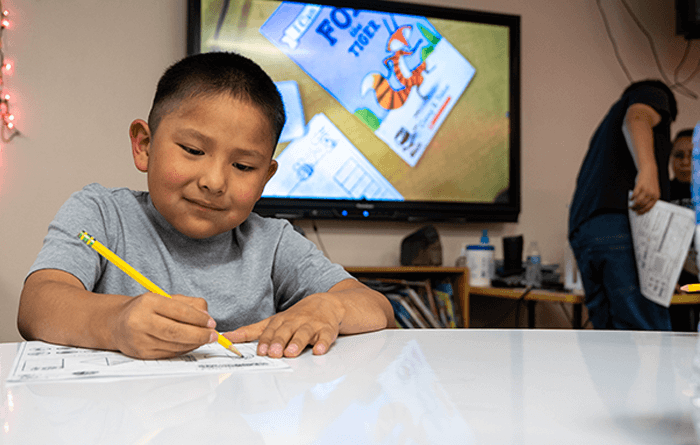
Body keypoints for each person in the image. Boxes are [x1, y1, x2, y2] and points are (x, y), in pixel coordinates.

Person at [17, 52, 394, 360]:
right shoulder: (100, 213)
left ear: (266, 176)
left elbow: (377, 309)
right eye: (193, 151)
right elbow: (36, 307)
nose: (214, 182)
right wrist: (115, 322)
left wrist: (332, 309)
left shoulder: (273, 241)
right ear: (144, 146)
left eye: (243, 166)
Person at [568, 80, 677, 330]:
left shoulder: (604, 132)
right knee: (647, 335)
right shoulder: (652, 94)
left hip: (585, 229)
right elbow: (637, 116)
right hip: (622, 222)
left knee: (609, 340)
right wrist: (649, 169)